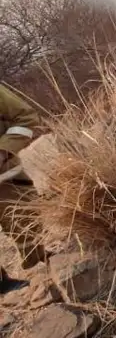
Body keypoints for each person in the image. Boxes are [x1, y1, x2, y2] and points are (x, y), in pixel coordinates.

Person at [0, 84, 48, 294]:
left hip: (7, 178)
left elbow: (26, 118)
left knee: (27, 219)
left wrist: (3, 151)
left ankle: (39, 260)